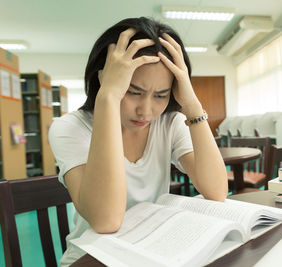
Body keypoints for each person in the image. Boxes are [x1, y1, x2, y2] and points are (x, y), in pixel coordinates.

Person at [49, 17, 228, 266]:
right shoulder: (69, 128)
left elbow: (217, 191)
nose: (145, 111)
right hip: (91, 258)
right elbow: (106, 221)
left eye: (161, 95)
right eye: (133, 92)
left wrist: (192, 104)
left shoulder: (170, 123)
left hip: (153, 252)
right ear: (104, 77)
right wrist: (108, 98)